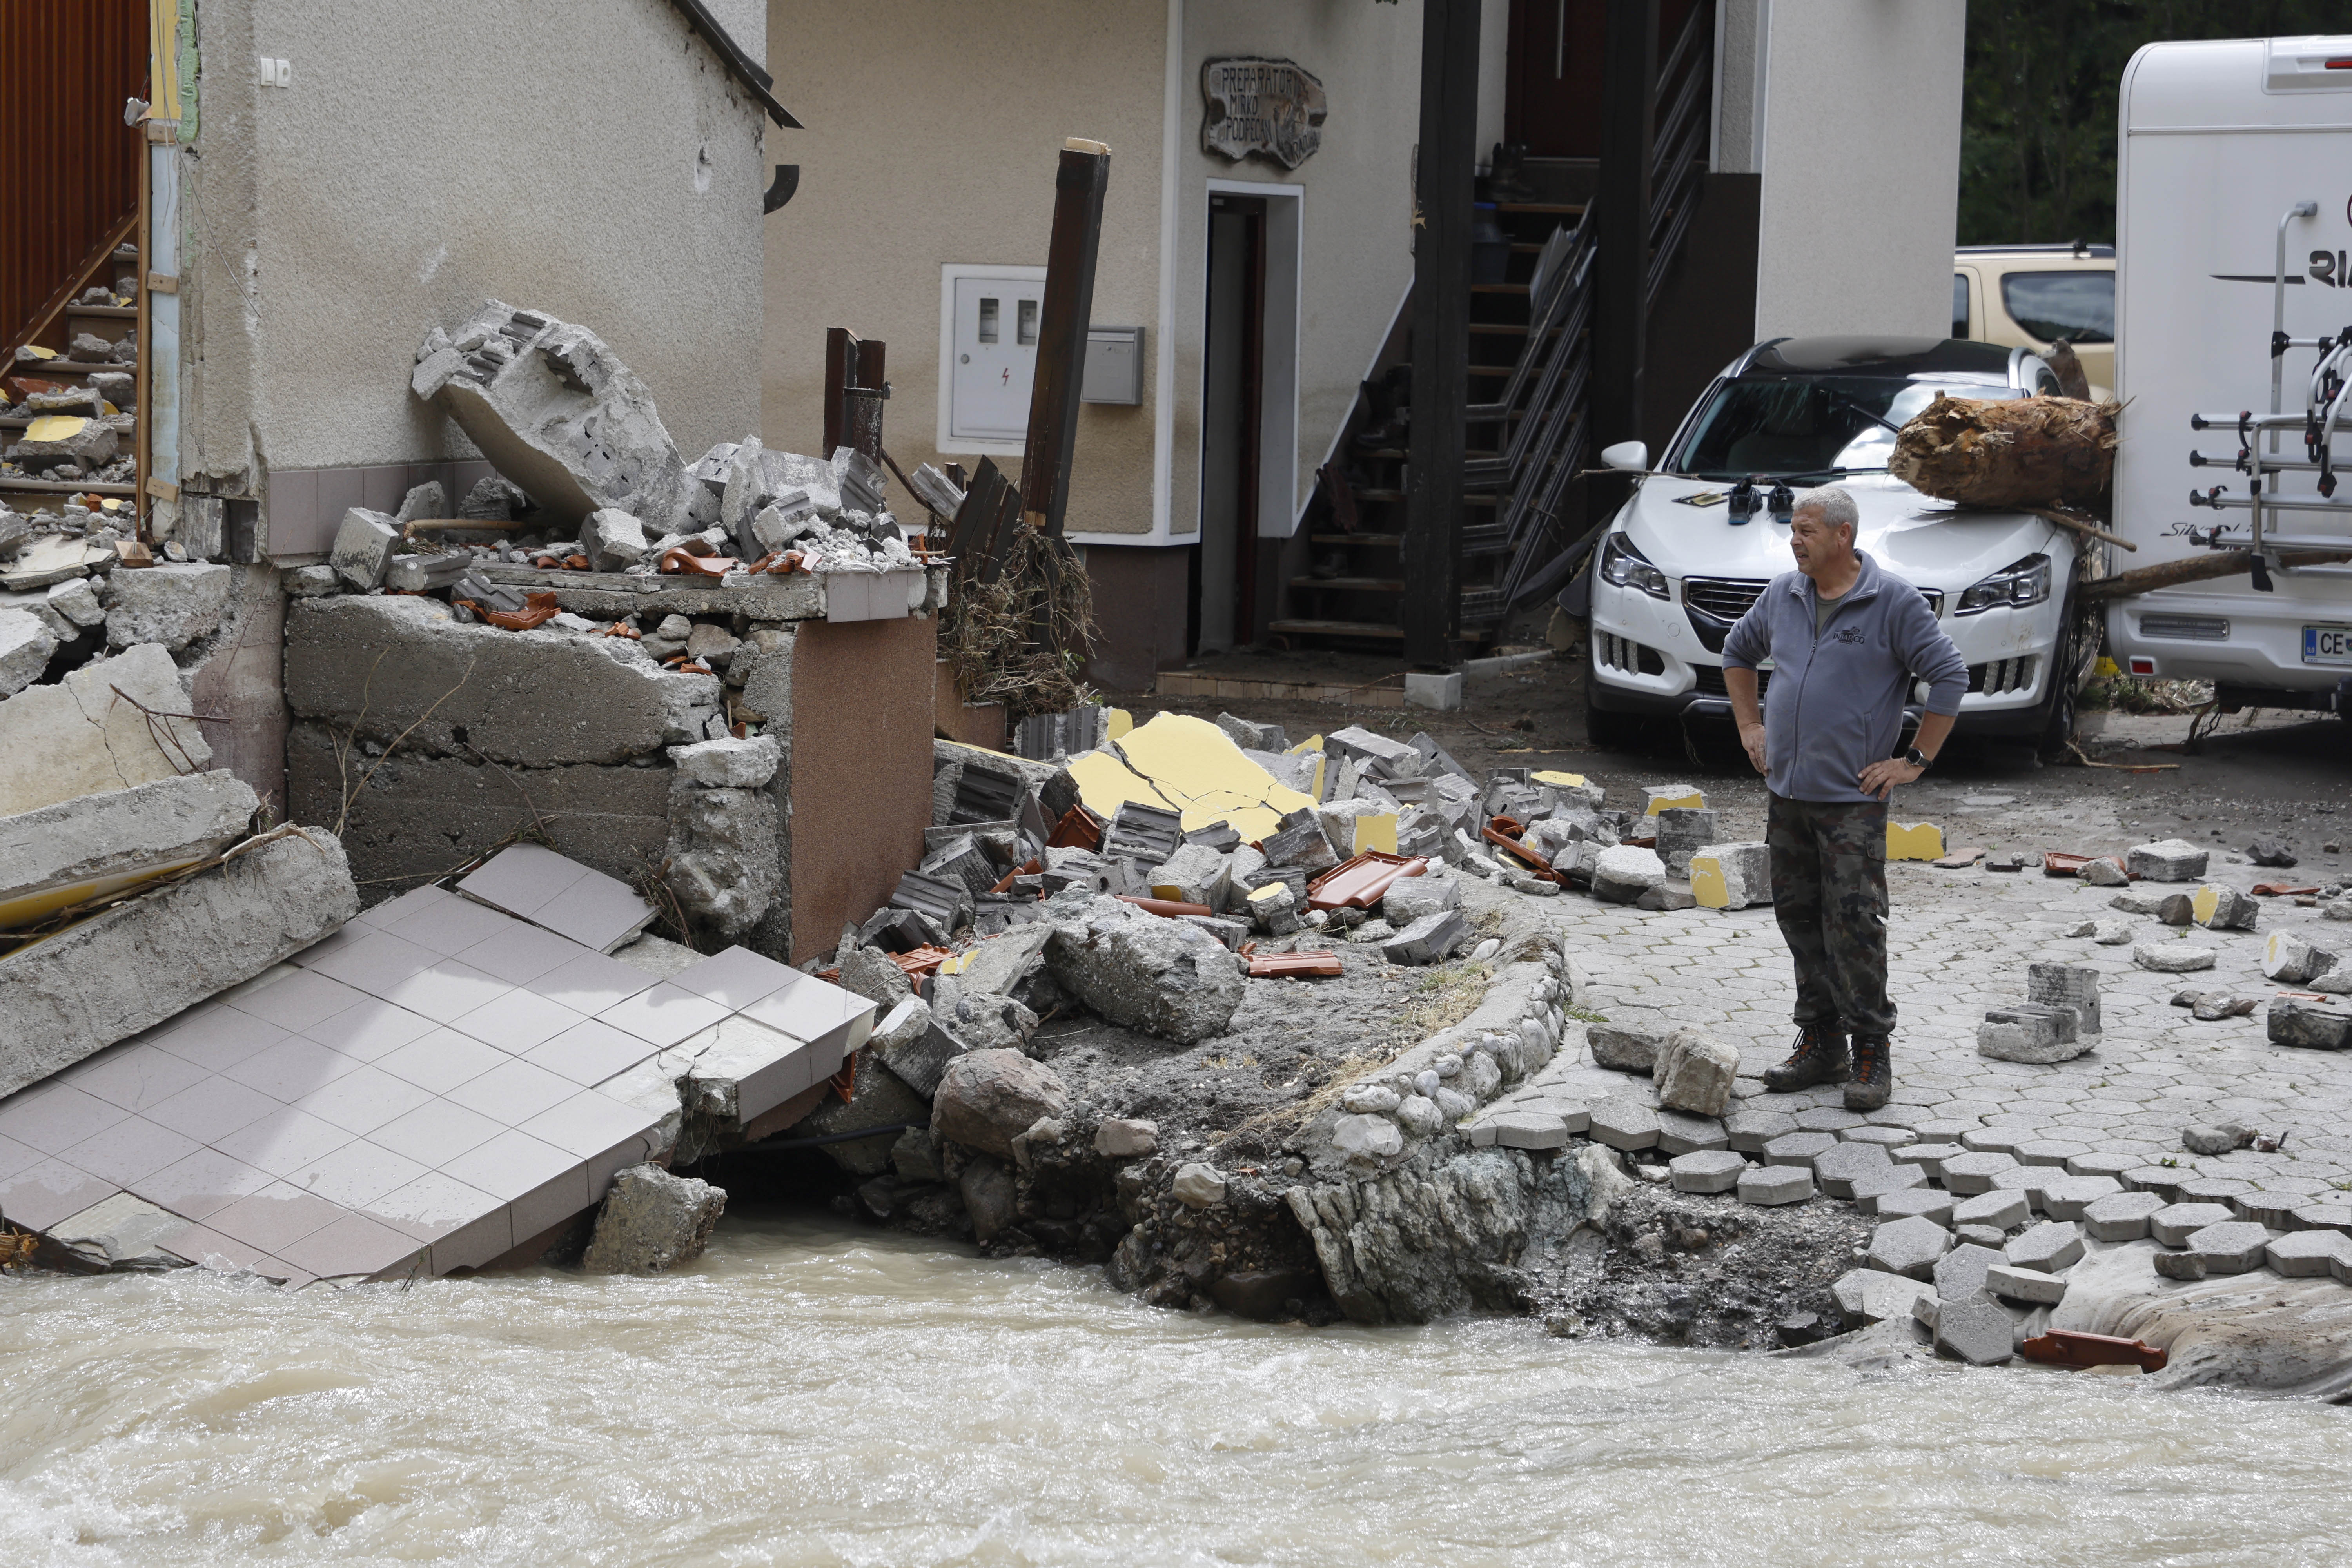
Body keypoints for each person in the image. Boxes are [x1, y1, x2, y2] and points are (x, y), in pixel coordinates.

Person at [1719, 487, 1968, 1111]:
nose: (1795, 540)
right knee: (1798, 918)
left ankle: (1871, 1052)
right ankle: (1821, 1041)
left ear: (1843, 537)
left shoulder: (1893, 603)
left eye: (1806, 530)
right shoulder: (1785, 593)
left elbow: (1951, 676)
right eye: (1794, 531)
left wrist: (1914, 761)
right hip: (1788, 793)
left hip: (1852, 800)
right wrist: (1751, 727)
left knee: (1854, 925)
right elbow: (1737, 653)